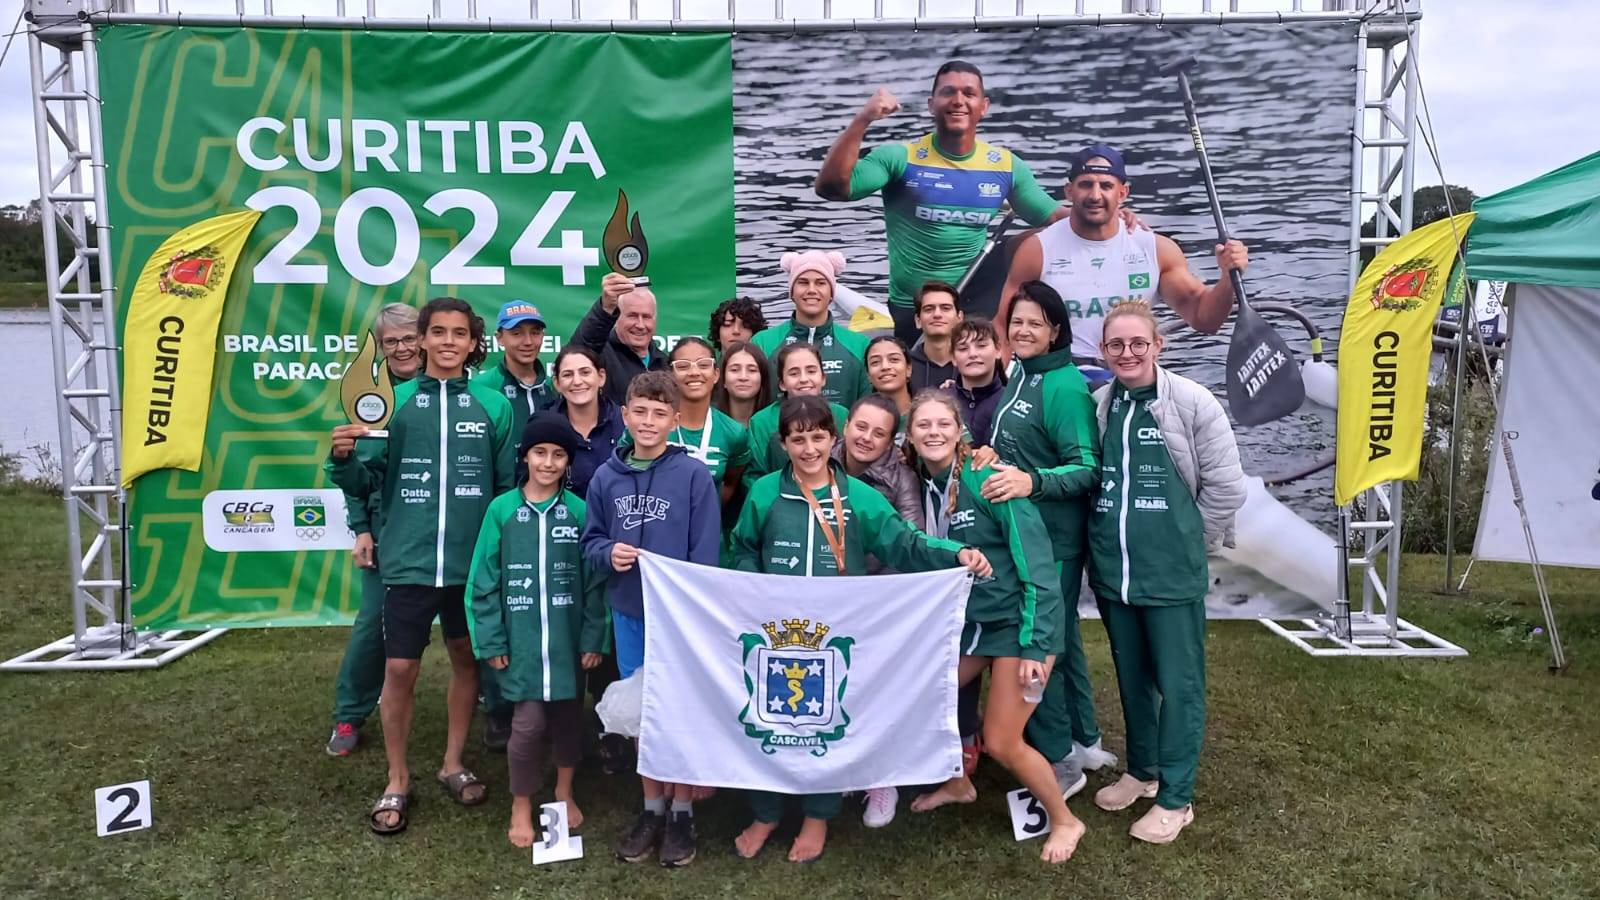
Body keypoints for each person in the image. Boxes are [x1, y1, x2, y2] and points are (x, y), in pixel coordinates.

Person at [728, 394, 992, 863]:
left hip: (831, 639)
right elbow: (743, 547)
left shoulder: (860, 498)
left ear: (833, 439)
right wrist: (751, 594)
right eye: (797, 439)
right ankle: (766, 811)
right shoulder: (765, 492)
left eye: (817, 438)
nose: (808, 449)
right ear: (784, 443)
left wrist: (953, 554)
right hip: (776, 636)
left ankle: (817, 816)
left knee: (824, 724)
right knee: (767, 722)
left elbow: (905, 543)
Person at [328, 297, 515, 835]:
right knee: (400, 669)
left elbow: (503, 490)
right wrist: (341, 460)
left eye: (460, 333)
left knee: (465, 659)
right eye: (439, 332)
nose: (449, 341)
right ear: (424, 340)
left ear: (473, 343)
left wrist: (497, 554)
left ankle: (453, 763)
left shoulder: (492, 406)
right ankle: (397, 778)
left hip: (468, 563)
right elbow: (365, 481)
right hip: (408, 562)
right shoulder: (393, 401)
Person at [1087, 301, 1244, 844]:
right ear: (1103, 351)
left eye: (1137, 343)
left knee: (1180, 686)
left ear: (1158, 345)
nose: (1127, 354)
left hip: (1171, 573)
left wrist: (1187, 543)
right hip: (1115, 572)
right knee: (1132, 680)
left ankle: (1177, 798)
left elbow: (1227, 488)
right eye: (1115, 345)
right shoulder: (1100, 405)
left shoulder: (1193, 402)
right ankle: (1143, 772)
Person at [902, 391, 1084, 863]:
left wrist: (1034, 647)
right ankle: (959, 782)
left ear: (961, 430)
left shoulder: (990, 479)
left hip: (1019, 627)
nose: (934, 433)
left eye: (944, 423)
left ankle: (1066, 820)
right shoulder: (927, 481)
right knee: (923, 693)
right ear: (911, 435)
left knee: (1003, 740)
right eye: (924, 426)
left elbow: (1038, 568)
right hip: (975, 627)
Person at [813, 60, 1066, 344]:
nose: (958, 101)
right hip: (915, 306)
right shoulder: (899, 158)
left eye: (968, 94)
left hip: (974, 295)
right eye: (949, 92)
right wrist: (863, 119)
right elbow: (831, 189)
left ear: (984, 107)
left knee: (1036, 238)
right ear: (932, 105)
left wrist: (1116, 218)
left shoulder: (1006, 166)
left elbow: (1055, 218)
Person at [581, 371, 722, 867]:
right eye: (639, 411)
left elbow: (706, 556)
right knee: (643, 714)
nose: (648, 421)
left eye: (659, 413)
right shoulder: (605, 477)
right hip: (630, 613)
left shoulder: (693, 476)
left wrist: (693, 611)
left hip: (679, 621)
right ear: (625, 414)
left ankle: (682, 812)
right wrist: (607, 553)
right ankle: (651, 807)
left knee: (679, 714)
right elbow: (590, 541)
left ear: (675, 419)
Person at [979, 281, 1110, 796]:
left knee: (1039, 645)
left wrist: (1031, 481)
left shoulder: (1064, 387)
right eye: (1017, 322)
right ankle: (1084, 739)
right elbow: (1019, 445)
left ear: (1056, 330)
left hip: (1051, 540)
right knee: (1065, 641)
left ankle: (1058, 762)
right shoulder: (1021, 375)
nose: (1023, 330)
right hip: (1027, 533)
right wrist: (994, 456)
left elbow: (1086, 469)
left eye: (1035, 322)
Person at [466, 413, 608, 848]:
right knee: (526, 726)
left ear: (568, 462)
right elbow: (482, 581)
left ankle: (564, 792)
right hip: (523, 643)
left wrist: (593, 638)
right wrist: (491, 639)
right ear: (524, 456)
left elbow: (596, 583)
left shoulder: (581, 511)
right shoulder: (502, 510)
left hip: (567, 643)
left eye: (558, 455)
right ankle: (521, 803)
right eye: (540, 453)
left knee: (568, 721)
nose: (548, 463)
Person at [997, 143, 1249, 366]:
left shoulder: (1156, 249)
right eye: (1086, 185)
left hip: (1129, 372)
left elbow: (1205, 320)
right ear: (1069, 191)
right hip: (1064, 378)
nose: (1095, 195)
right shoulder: (1037, 250)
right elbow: (1003, 329)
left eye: (1106, 186)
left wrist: (1227, 279)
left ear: (1123, 193)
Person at [326, 302, 419, 757]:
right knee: (372, 625)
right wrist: (362, 528)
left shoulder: (454, 388)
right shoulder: (370, 396)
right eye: (391, 342)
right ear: (380, 348)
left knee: (476, 622)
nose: (402, 349)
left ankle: (496, 703)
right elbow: (359, 479)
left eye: (408, 338)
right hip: (389, 530)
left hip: (453, 527)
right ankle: (350, 714)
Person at [828, 392, 923, 829]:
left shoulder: (901, 478)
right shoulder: (813, 456)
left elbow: (909, 539)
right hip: (819, 590)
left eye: (879, 433)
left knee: (873, 690)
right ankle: (834, 771)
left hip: (874, 596)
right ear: (846, 427)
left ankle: (882, 780)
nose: (867, 438)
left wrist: (872, 598)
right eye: (861, 427)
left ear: (891, 442)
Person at [749, 250, 870, 407]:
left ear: (832, 292)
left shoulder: (859, 345)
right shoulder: (763, 342)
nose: (812, 290)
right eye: (803, 282)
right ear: (791, 291)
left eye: (820, 283)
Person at [743, 343, 850, 490]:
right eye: (794, 373)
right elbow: (754, 476)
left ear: (823, 377)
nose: (804, 379)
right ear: (782, 383)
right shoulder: (762, 422)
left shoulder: (841, 415)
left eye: (811, 371)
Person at [664, 336, 750, 504]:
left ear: (716, 374)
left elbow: (730, 485)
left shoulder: (734, 433)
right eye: (683, 366)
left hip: (708, 529)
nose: (694, 372)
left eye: (703, 365)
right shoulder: (653, 424)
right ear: (671, 375)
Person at [571, 272, 667, 406]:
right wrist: (605, 307)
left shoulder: (665, 363)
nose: (640, 325)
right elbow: (578, 352)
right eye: (632, 316)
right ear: (616, 318)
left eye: (646, 317)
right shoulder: (599, 355)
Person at [550, 346, 626, 499]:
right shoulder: (546, 427)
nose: (577, 381)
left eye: (585, 372)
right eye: (567, 375)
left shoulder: (625, 421)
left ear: (601, 377)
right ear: (557, 383)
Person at [474, 301, 557, 437]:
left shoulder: (554, 387)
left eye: (535, 333)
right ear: (499, 338)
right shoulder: (480, 387)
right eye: (517, 333)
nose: (528, 342)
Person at [948, 316, 1007, 445]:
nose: (973, 354)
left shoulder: (1011, 401)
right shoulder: (940, 400)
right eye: (963, 348)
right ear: (953, 357)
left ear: (998, 350)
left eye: (981, 345)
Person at [909, 281, 962, 392]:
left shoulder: (973, 362)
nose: (937, 314)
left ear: (959, 318)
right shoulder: (905, 366)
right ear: (918, 320)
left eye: (946, 308)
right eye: (929, 309)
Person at [711, 340, 773, 428]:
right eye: (734, 370)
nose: (743, 377)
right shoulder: (709, 423)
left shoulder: (775, 424)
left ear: (763, 378)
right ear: (723, 379)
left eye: (752, 370)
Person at [865, 336, 914, 432]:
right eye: (875, 362)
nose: (885, 367)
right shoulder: (862, 419)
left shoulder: (924, 414)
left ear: (908, 369)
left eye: (894, 359)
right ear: (868, 375)